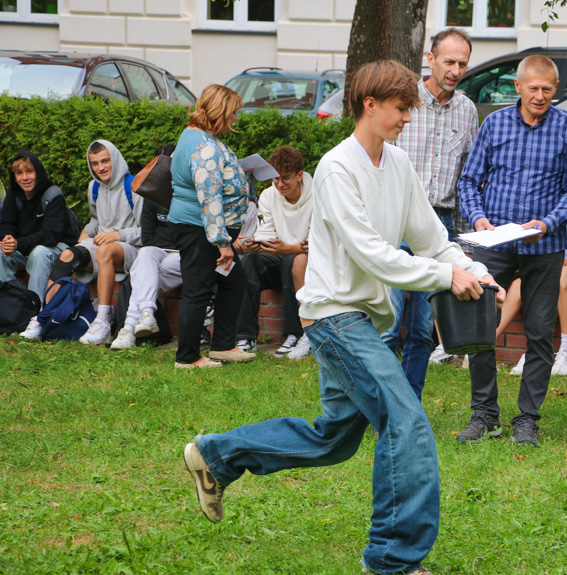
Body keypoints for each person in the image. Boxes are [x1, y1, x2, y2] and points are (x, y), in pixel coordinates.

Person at [181, 60, 502, 575]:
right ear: (369, 105)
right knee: (406, 419)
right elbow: (371, 253)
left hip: (366, 321)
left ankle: (215, 456)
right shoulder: (336, 168)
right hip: (333, 317)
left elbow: (433, 241)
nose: (406, 120)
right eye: (400, 109)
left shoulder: (397, 165)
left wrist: (473, 271)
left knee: (332, 437)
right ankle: (392, 560)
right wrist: (446, 279)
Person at [457, 54, 567, 446]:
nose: (541, 95)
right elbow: (469, 181)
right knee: (481, 328)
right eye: (533, 88)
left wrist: (548, 223)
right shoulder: (494, 123)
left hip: (544, 244)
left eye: (548, 89)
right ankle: (484, 414)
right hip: (494, 241)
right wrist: (479, 219)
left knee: (538, 333)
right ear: (517, 86)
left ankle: (527, 418)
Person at [380, 27, 478, 400]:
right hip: (396, 220)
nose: (455, 70)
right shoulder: (404, 102)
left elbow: (467, 177)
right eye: (449, 61)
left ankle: (410, 404)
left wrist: (464, 243)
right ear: (431, 59)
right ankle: (383, 403)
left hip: (441, 225)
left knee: (422, 328)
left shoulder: (467, 110)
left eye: (462, 63)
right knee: (388, 324)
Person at [21, 140, 144, 343]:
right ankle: (44, 316)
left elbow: (146, 231)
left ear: (115, 159)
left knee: (104, 252)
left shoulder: (133, 186)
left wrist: (117, 235)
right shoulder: (94, 187)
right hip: (101, 243)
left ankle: (103, 319)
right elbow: (96, 220)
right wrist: (86, 232)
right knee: (68, 254)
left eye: (105, 161)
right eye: (94, 163)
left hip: (129, 248)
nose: (100, 167)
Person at [168, 84, 255, 368]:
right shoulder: (204, 147)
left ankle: (222, 347)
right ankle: (188, 357)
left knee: (234, 281)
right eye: (233, 113)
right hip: (200, 230)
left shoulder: (197, 136)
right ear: (221, 112)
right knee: (198, 291)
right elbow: (210, 198)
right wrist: (223, 243)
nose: (236, 119)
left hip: (203, 228)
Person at [235, 145, 313, 359]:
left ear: (299, 176)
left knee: (293, 261)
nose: (279, 184)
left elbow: (318, 242)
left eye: (285, 178)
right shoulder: (269, 195)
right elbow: (266, 231)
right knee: (249, 261)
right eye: (275, 179)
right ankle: (245, 337)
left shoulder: (318, 195)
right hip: (278, 254)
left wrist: (288, 248)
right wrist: (256, 244)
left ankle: (295, 334)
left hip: (307, 261)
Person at [504, 199, 567, 378]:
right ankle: (486, 346)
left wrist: (549, 265)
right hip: (546, 269)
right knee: (519, 283)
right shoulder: (540, 205)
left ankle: (566, 352)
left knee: (563, 273)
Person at [0, 151, 77, 303]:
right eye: (19, 173)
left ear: (38, 172)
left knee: (39, 253)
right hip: (26, 247)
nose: (25, 178)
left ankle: (35, 310)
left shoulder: (52, 194)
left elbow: (50, 236)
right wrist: (7, 240)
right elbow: (6, 223)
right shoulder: (13, 195)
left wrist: (18, 244)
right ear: (14, 177)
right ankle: (9, 306)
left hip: (58, 247)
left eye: (30, 171)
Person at [109, 194, 182, 349]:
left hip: (184, 253)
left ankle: (128, 329)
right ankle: (147, 314)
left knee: (142, 277)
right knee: (145, 252)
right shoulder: (153, 195)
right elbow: (147, 238)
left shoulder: (190, 193)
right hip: (158, 250)